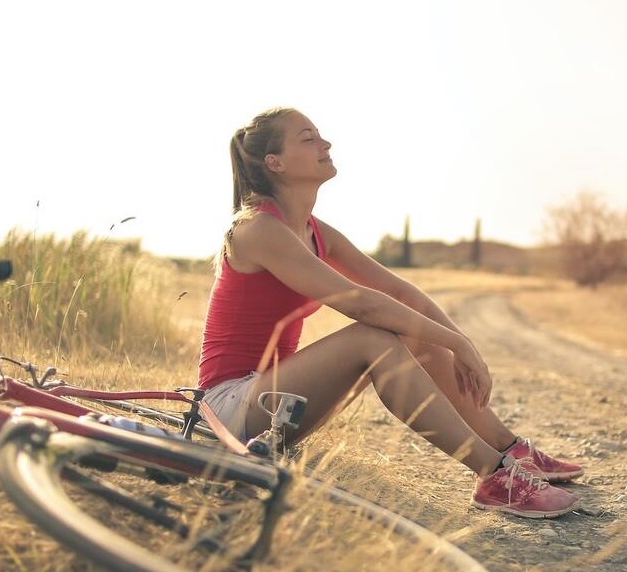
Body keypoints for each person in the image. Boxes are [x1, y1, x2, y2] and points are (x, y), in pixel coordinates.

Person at [197, 106, 584, 519]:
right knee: (373, 337)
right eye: (308, 138)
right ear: (274, 162)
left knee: (418, 335)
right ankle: (494, 475)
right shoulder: (257, 229)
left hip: (278, 404)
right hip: (228, 408)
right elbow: (360, 301)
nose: (325, 144)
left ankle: (511, 451)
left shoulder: (314, 230)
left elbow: (397, 289)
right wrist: (455, 341)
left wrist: (460, 343)